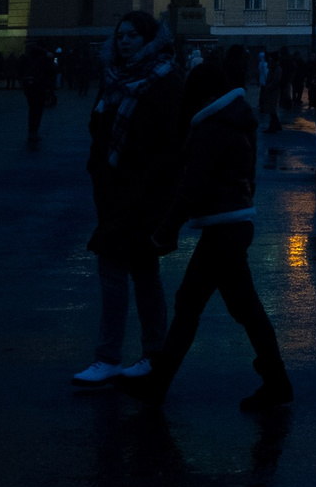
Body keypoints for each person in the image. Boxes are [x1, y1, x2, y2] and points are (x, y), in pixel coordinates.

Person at [117, 48, 292, 412]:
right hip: (234, 223)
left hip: (222, 227)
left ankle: (159, 384)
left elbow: (190, 188)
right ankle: (276, 380)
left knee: (192, 304)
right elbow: (244, 178)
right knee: (241, 307)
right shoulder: (236, 121)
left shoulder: (211, 128)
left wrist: (165, 231)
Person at [74, 13, 184, 389]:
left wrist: (150, 185)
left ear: (149, 39)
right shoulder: (114, 77)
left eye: (132, 36)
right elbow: (98, 128)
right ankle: (149, 354)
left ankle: (113, 357)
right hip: (113, 187)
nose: (124, 41)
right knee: (139, 269)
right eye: (120, 35)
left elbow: (170, 143)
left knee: (119, 267)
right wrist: (97, 169)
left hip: (145, 191)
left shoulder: (165, 80)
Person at [22, 43, 54, 146]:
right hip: (40, 89)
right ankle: (35, 132)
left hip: (30, 90)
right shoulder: (43, 62)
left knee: (32, 111)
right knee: (38, 111)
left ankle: (31, 132)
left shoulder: (28, 62)